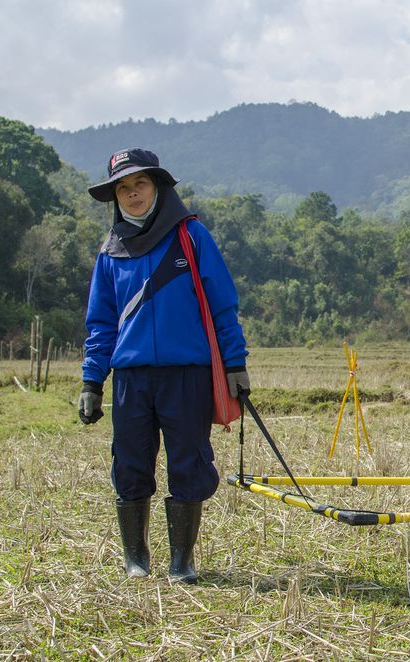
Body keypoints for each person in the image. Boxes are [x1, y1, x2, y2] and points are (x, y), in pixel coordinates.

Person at [78, 148, 250, 582]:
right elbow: (100, 323)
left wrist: (236, 365)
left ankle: (182, 562)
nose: (132, 195)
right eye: (123, 188)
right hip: (132, 379)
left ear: (158, 187)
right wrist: (92, 380)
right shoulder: (110, 252)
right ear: (115, 197)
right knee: (130, 464)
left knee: (188, 462)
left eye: (140, 185)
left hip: (186, 375)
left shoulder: (192, 237)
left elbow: (222, 306)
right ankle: (136, 558)